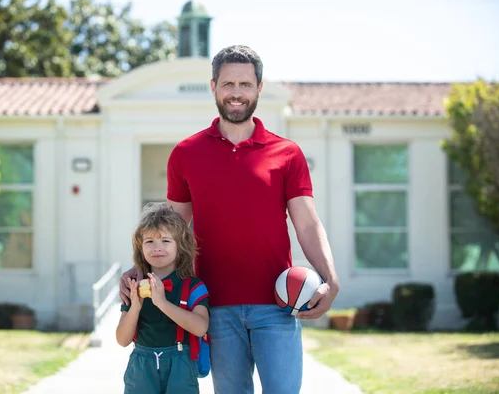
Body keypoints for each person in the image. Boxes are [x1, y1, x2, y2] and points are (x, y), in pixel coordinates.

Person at [120, 45, 340, 394]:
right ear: (213, 87)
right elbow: (170, 229)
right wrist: (139, 268)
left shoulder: (287, 154)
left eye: (245, 85)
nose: (236, 93)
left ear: (259, 89)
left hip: (276, 306)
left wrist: (330, 278)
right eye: (228, 84)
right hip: (214, 307)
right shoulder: (186, 153)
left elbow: (308, 223)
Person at [116, 202, 210, 394]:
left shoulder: (193, 286)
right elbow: (122, 340)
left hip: (180, 364)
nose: (157, 247)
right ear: (141, 248)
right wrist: (135, 307)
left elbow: (201, 328)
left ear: (180, 246)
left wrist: (162, 303)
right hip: (142, 365)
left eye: (166, 241)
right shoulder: (133, 284)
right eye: (149, 242)